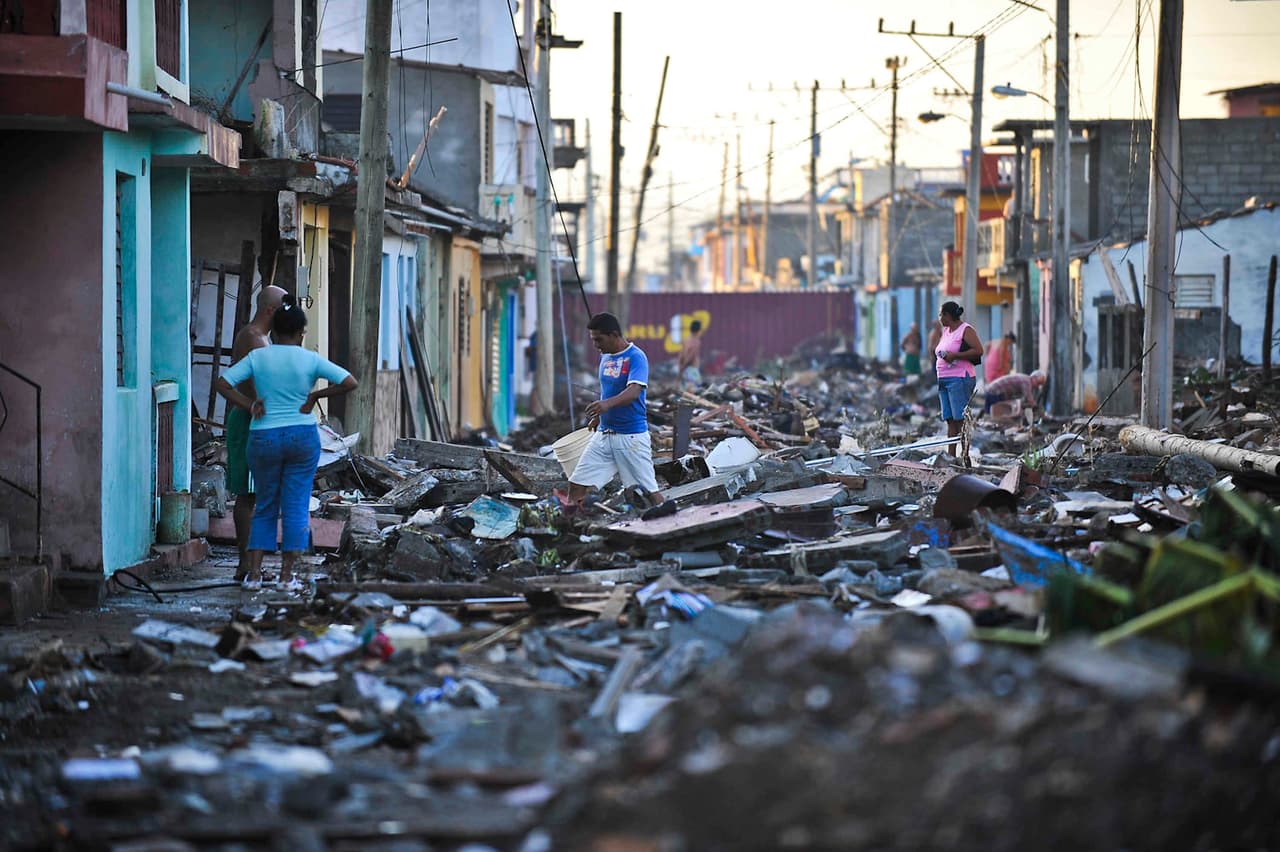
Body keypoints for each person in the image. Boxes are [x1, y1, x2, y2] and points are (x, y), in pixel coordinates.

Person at [215, 300, 357, 590]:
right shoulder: (311, 359)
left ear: (275, 331)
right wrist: (316, 397)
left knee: (265, 504)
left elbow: (223, 383)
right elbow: (349, 382)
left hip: (264, 437)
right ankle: (286, 576)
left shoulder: (259, 357)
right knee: (295, 506)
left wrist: (250, 403)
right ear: (302, 332)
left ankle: (254, 575)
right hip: (302, 438)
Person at [567, 312, 665, 509]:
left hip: (630, 438)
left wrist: (606, 405)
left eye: (599, 339)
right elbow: (607, 391)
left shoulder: (636, 357)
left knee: (649, 492)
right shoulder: (605, 357)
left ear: (613, 335)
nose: (596, 345)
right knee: (577, 482)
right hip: (604, 435)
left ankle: (672, 522)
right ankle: (572, 526)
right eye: (593, 340)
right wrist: (599, 415)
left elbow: (634, 391)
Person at [225, 284, 287, 580]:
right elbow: (227, 384)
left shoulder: (261, 338)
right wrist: (250, 405)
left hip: (256, 421)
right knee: (249, 497)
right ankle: (248, 565)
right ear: (270, 310)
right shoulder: (253, 338)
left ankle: (248, 565)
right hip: (251, 423)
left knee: (256, 495)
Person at [934, 301, 983, 456]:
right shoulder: (946, 331)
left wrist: (956, 355)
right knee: (949, 419)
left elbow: (978, 350)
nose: (940, 317)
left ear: (948, 315)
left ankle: (965, 454)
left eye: (941, 314)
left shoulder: (965, 330)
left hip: (959, 378)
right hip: (944, 379)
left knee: (960, 420)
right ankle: (951, 455)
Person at [677, 319, 704, 389]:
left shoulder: (686, 340)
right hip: (692, 369)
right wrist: (685, 365)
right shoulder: (696, 341)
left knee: (684, 390)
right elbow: (691, 355)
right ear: (698, 330)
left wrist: (680, 367)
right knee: (694, 390)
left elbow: (681, 355)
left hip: (684, 369)